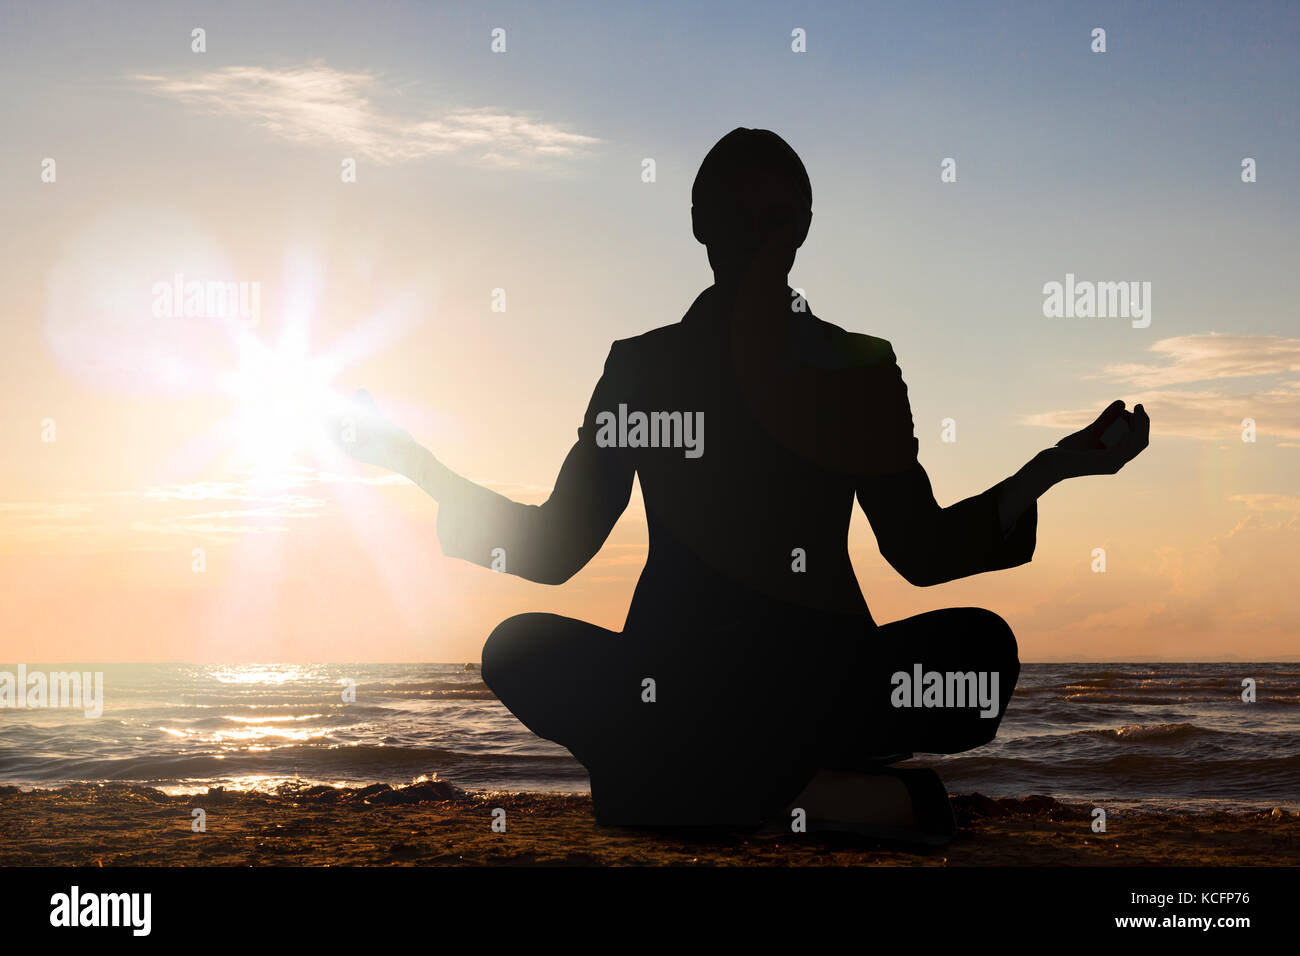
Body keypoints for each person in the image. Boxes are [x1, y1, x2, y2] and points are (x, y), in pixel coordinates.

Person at [337, 128, 1150, 829]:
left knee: (981, 653)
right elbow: (554, 550)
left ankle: (697, 787)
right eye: (737, 218)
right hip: (684, 679)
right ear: (701, 225)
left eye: (772, 220)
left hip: (813, 683)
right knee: (517, 648)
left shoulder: (859, 365)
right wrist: (411, 461)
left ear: (800, 228)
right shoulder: (644, 365)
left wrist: (1053, 470)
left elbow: (922, 552)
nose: (757, 240)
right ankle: (811, 793)